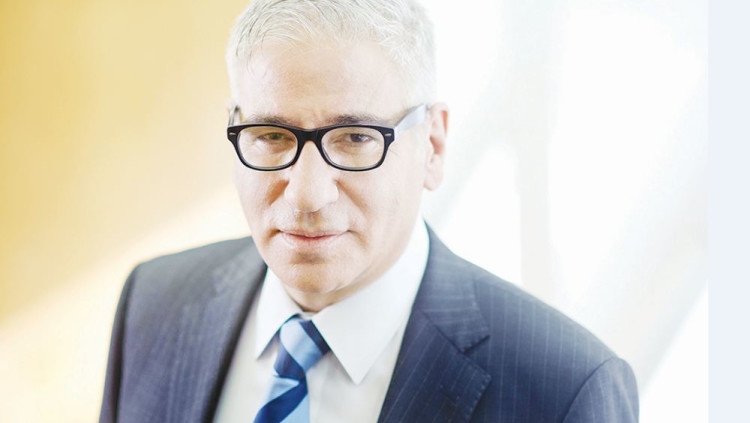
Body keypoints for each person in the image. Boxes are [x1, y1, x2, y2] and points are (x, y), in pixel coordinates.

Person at [99, 0, 639, 422]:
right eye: (271, 136)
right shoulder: (153, 304)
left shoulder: (565, 392)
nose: (307, 195)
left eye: (355, 138)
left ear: (433, 146)